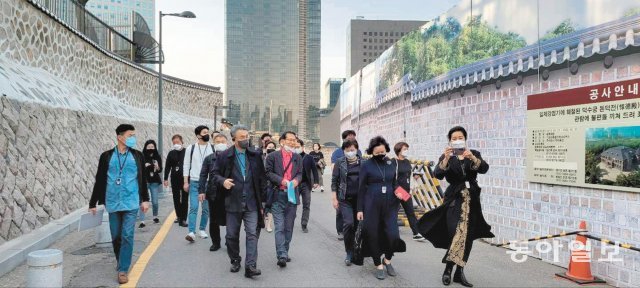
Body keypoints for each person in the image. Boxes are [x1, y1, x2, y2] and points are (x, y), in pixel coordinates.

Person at [417, 126, 493, 287]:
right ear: (450, 141)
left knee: (467, 237)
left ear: (465, 138)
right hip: (453, 200)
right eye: (454, 138)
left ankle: (459, 272)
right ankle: (448, 269)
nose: (457, 140)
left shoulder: (473, 154)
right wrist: (445, 159)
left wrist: (472, 157)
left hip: (471, 200)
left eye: (460, 137)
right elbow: (437, 174)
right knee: (456, 234)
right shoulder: (448, 156)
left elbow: (484, 169)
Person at [89, 124, 150, 284]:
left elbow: (143, 179)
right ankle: (120, 260)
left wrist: (145, 199)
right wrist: (92, 203)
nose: (133, 138)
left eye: (134, 135)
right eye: (130, 135)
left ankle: (123, 269)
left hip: (131, 202)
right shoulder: (106, 156)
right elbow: (100, 179)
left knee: (127, 235)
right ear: (120, 137)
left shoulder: (137, 156)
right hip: (113, 201)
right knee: (116, 236)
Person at [212, 125, 265, 278]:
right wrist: (223, 181)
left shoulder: (255, 155)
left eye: (247, 136)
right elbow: (214, 174)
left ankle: (250, 266)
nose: (245, 139)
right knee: (231, 235)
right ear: (234, 138)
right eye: (242, 137)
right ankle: (235, 259)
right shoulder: (224, 156)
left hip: (251, 202)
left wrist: (263, 203)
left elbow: (262, 179)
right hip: (232, 202)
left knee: (252, 234)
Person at [357, 136, 406, 280]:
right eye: (377, 152)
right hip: (371, 205)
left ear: (386, 150)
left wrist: (404, 195)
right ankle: (378, 263)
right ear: (372, 152)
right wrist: (360, 209)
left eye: (382, 152)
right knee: (373, 235)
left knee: (393, 235)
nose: (380, 155)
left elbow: (394, 183)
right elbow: (361, 189)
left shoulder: (391, 163)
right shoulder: (366, 165)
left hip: (390, 205)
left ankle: (387, 260)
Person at [265, 131, 302, 268]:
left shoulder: (297, 157)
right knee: (279, 226)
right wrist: (282, 181)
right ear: (282, 141)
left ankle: (285, 251)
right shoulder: (272, 156)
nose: (292, 142)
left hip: (292, 196)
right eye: (290, 140)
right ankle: (281, 254)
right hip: (277, 194)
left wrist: (296, 181)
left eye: (294, 140)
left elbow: (300, 173)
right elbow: (268, 172)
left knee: (289, 227)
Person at [330, 139, 361, 266]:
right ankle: (349, 252)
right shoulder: (340, 162)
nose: (350, 153)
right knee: (348, 224)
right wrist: (334, 198)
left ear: (357, 149)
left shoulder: (364, 163)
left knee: (359, 226)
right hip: (344, 199)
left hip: (360, 200)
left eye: (352, 150)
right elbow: (334, 180)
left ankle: (357, 248)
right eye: (347, 150)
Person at [199, 134, 229, 252]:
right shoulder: (209, 158)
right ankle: (215, 242)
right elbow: (203, 175)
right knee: (214, 219)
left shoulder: (232, 157)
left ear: (227, 142)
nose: (220, 143)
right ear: (214, 143)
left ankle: (229, 240)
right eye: (217, 141)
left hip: (229, 193)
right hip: (213, 193)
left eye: (222, 141)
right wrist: (201, 191)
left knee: (230, 219)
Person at [183, 125, 214, 242]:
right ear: (198, 135)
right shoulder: (190, 148)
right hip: (195, 181)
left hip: (208, 182)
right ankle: (191, 232)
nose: (207, 134)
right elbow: (186, 165)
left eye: (208, 132)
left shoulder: (212, 148)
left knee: (206, 209)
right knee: (194, 207)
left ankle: (202, 229)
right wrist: (185, 182)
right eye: (204, 132)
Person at [331, 130, 362, 241]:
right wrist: (334, 197)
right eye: (349, 137)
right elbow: (334, 175)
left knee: (357, 221)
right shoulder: (337, 155)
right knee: (343, 216)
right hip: (343, 191)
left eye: (353, 137)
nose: (350, 152)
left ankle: (355, 242)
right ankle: (341, 231)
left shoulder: (361, 158)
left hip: (358, 196)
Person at [393, 142, 425, 241]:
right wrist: (396, 190)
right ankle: (392, 233)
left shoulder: (407, 161)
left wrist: (415, 175)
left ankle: (416, 233)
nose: (406, 151)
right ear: (398, 150)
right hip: (397, 190)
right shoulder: (394, 162)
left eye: (407, 148)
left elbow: (408, 174)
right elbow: (392, 177)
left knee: (410, 212)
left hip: (406, 191)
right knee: (393, 213)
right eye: (404, 149)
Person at [296, 139, 319, 233]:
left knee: (306, 205)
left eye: (298, 147)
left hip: (306, 184)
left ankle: (304, 224)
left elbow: (314, 170)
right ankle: (289, 221)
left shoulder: (309, 157)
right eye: (295, 147)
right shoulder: (292, 157)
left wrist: (316, 181)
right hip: (295, 184)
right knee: (292, 204)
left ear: (302, 146)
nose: (296, 149)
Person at [164, 135, 188, 227]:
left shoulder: (187, 152)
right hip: (174, 178)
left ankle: (184, 218)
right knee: (176, 198)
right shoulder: (171, 153)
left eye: (177, 142)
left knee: (185, 199)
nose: (176, 144)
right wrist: (165, 178)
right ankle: (178, 216)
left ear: (182, 142)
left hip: (185, 179)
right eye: (174, 143)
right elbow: (167, 166)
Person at [138, 140, 163, 228]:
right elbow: (138, 168)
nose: (150, 149)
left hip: (154, 181)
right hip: (144, 181)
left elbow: (160, 170)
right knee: (142, 201)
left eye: (152, 147)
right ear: (145, 147)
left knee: (155, 201)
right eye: (149, 147)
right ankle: (142, 221)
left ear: (155, 147)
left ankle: (155, 216)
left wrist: (157, 166)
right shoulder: (141, 156)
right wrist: (144, 166)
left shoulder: (157, 156)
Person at [263, 141, 277, 233]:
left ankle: (269, 225)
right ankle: (264, 221)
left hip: (272, 185)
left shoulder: (277, 160)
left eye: (272, 147)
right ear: (265, 148)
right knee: (264, 205)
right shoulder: (261, 158)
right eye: (269, 147)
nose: (271, 148)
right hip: (262, 185)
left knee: (271, 205)